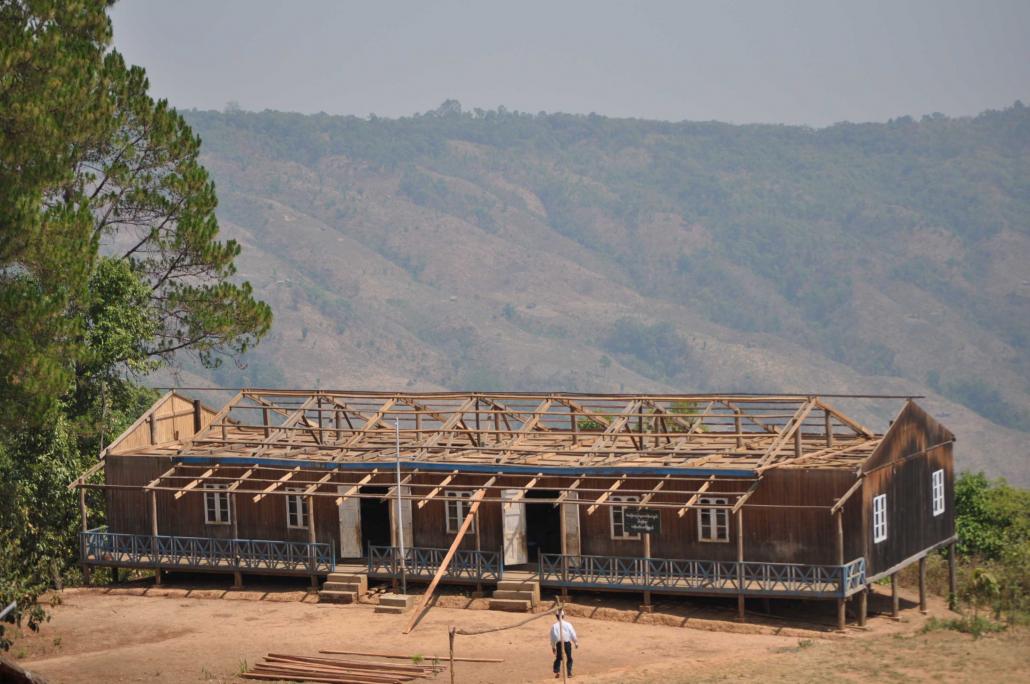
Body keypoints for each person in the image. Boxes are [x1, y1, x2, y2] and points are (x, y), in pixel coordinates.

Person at [549, 609, 578, 678]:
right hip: (567, 643)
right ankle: (569, 672)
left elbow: (552, 638)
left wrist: (553, 647)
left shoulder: (554, 626)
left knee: (559, 657)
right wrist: (575, 642)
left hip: (559, 644)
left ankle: (557, 671)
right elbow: (572, 633)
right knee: (569, 657)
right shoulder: (568, 624)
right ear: (563, 616)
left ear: (556, 616)